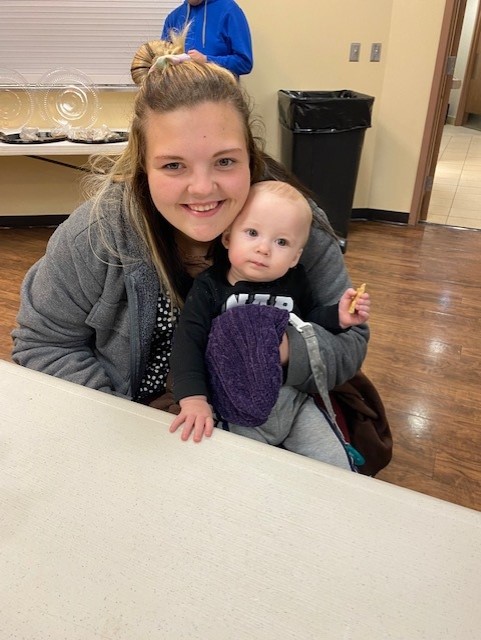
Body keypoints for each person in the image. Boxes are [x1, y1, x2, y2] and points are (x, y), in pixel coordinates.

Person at [11, 29, 369, 469]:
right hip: (136, 429)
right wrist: (124, 424)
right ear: (142, 165)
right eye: (173, 165)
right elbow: (43, 345)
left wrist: (280, 349)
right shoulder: (97, 234)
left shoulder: (296, 225)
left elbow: (350, 342)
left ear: (250, 155)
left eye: (224, 161)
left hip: (269, 417)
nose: (202, 189)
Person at [168, 180, 370, 468]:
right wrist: (193, 399)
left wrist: (338, 317)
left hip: (295, 402)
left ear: (295, 257)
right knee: (242, 473)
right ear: (228, 238)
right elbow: (188, 342)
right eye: (252, 233)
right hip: (234, 407)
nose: (264, 248)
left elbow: (309, 322)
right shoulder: (209, 288)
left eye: (282, 242)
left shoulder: (296, 282)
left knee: (334, 464)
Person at [161, 0, 253, 77]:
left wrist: (207, 60)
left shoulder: (229, 11)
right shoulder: (174, 17)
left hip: (220, 93)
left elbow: (244, 63)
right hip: (182, 93)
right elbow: (163, 61)